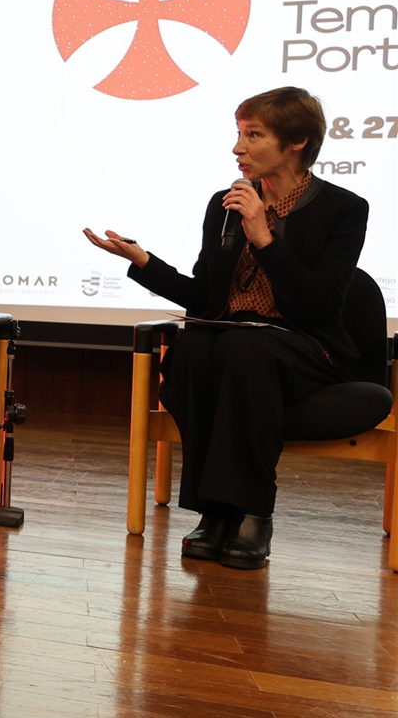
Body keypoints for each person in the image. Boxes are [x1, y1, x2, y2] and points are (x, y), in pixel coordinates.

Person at [84, 86, 366, 570]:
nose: (238, 148)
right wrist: (145, 262)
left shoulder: (343, 209)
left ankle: (254, 512)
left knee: (242, 350)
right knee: (193, 347)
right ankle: (214, 513)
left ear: (297, 140)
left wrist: (264, 236)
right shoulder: (225, 203)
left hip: (306, 345)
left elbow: (318, 305)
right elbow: (205, 297)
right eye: (238, 134)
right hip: (237, 341)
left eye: (253, 135)